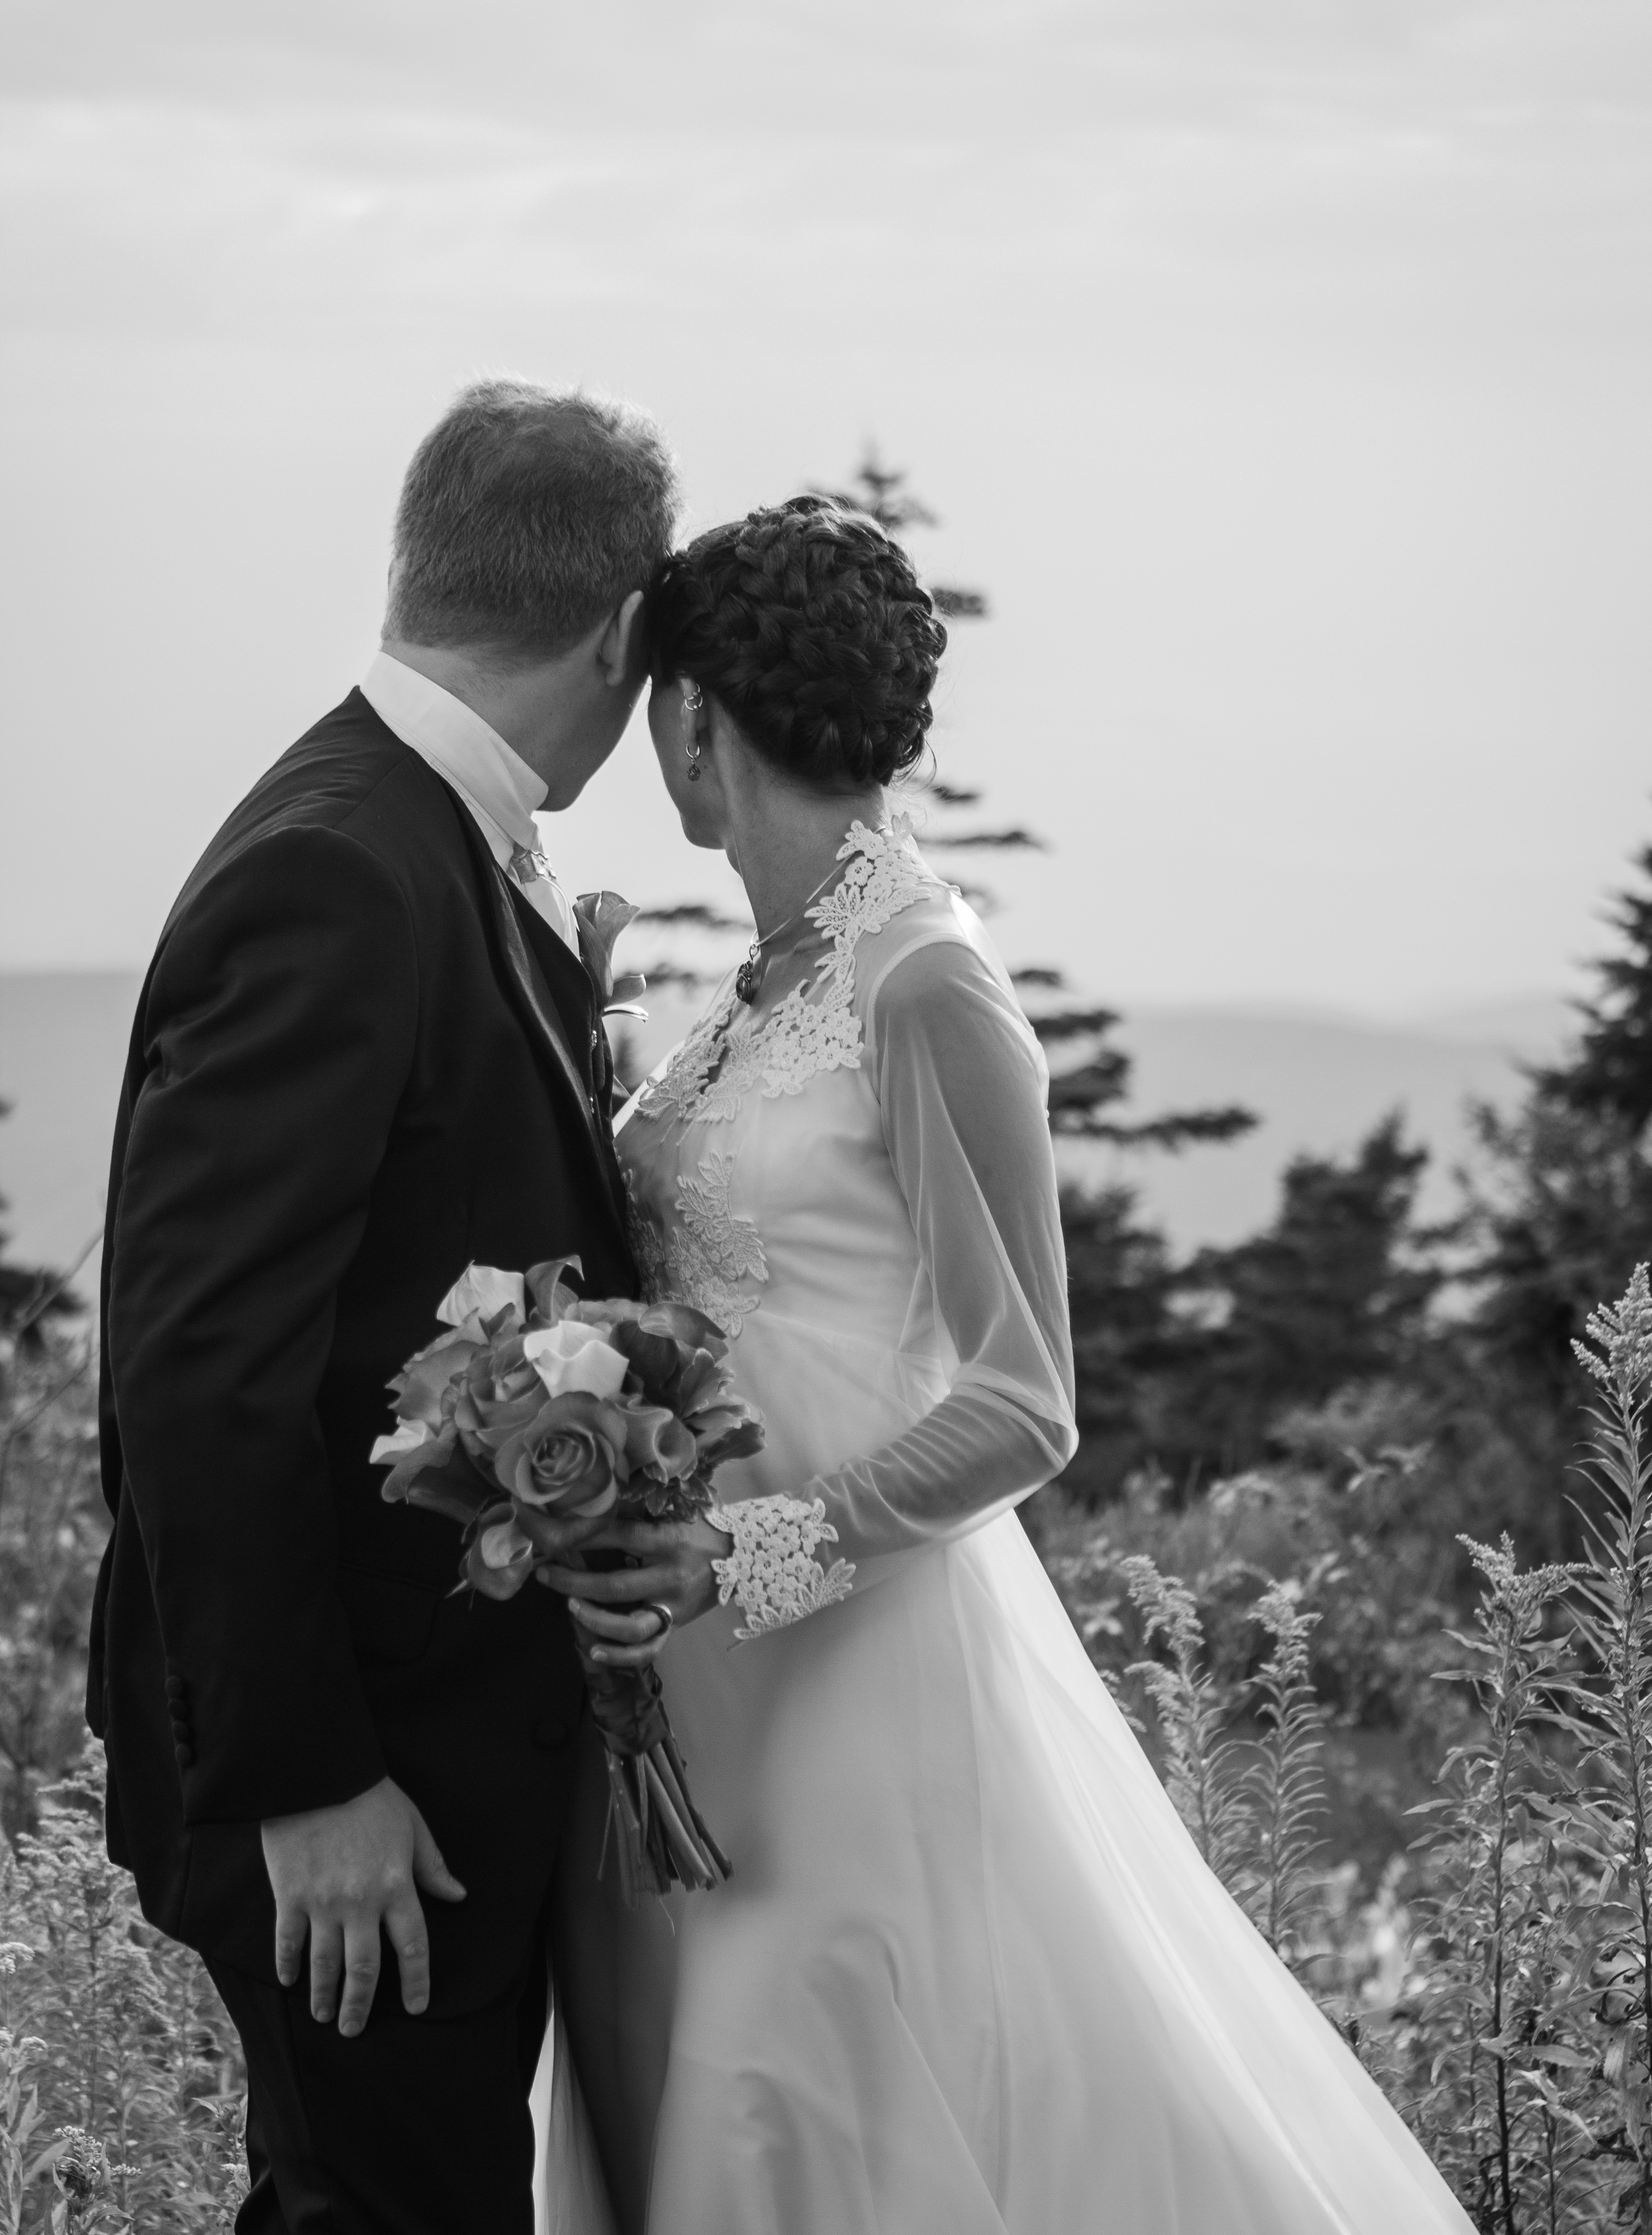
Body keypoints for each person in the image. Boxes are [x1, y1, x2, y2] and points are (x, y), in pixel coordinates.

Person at [541, 496, 1475, 2234]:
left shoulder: (922, 982)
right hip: (698, 1687)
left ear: (693, 720)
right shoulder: (767, 980)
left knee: (807, 2087)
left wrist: (739, 1553)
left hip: (852, 1676)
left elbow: (1023, 1398)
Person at [89, 378, 677, 2234]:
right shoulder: (348, 867)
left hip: (443, 1747)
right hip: (357, 1788)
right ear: (618, 628)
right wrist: (310, 1784)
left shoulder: (425, 830)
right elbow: (199, 1372)